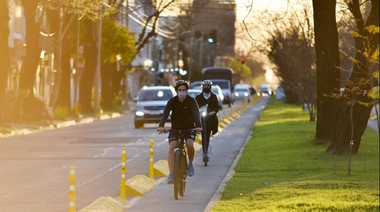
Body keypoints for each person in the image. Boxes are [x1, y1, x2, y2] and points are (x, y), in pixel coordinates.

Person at [157, 80, 202, 184]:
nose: (182, 92)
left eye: (184, 90)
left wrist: (198, 126)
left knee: (190, 144)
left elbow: (196, 113)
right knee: (172, 146)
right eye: (180, 90)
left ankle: (190, 164)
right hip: (175, 129)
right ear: (176, 91)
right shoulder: (172, 101)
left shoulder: (191, 101)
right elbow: (166, 113)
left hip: (189, 128)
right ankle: (171, 174)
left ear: (187, 91)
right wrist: (161, 126)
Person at [195, 80, 219, 163]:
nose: (206, 87)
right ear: (202, 87)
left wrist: (213, 112)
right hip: (201, 119)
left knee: (207, 135)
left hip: (210, 118)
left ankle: (206, 151)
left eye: (208, 86)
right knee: (203, 135)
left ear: (210, 87)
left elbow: (217, 107)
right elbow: (195, 107)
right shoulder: (198, 97)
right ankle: (204, 152)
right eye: (205, 86)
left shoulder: (214, 97)